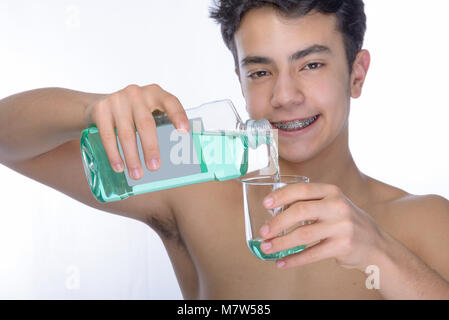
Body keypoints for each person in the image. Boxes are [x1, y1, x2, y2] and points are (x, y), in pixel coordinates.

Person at [1, 0, 449, 300]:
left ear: (357, 73)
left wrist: (380, 255)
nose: (285, 96)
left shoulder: (426, 222)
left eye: (311, 65)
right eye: (260, 72)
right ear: (238, 78)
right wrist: (91, 110)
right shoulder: (191, 188)